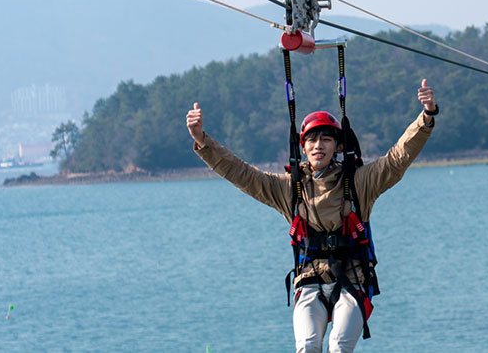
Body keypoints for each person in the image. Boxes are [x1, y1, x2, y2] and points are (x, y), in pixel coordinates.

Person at [186, 79, 439, 353]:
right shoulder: (289, 189)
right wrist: (202, 140)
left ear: (338, 146)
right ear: (303, 147)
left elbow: (397, 158)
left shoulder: (359, 182)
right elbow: (241, 173)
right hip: (309, 281)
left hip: (352, 280)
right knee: (307, 346)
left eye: (326, 139)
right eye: (312, 139)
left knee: (339, 346)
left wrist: (426, 117)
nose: (319, 145)